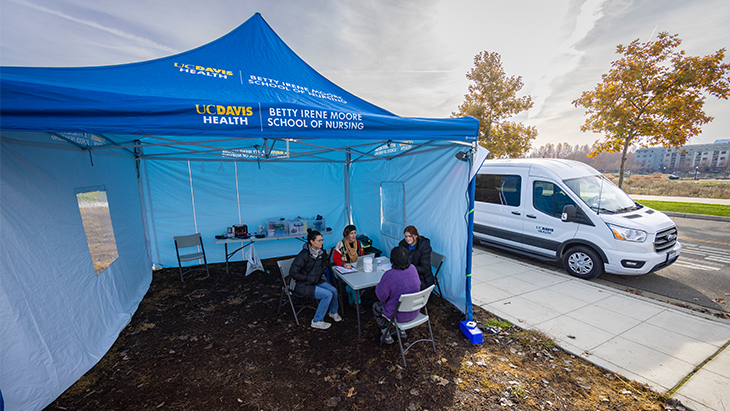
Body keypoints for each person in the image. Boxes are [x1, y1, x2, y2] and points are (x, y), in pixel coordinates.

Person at [289, 229, 342, 330]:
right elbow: (293, 272)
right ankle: (316, 321)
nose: (322, 242)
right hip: (302, 284)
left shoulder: (321, 252)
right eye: (319, 240)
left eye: (322, 240)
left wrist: (318, 275)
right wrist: (308, 278)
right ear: (311, 242)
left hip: (316, 280)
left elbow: (323, 265)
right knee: (327, 294)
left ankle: (333, 312)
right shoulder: (304, 255)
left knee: (334, 290)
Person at [373, 246, 421, 344]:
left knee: (375, 306)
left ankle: (386, 334)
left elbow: (381, 298)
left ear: (392, 260)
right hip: (415, 310)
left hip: (397, 315)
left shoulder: (389, 275)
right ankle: (401, 331)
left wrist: (379, 285)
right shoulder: (413, 268)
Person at [333, 225, 366, 312]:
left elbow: (362, 256)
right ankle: (357, 303)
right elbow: (335, 259)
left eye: (355, 233)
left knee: (350, 286)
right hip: (344, 270)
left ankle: (351, 300)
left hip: (356, 269)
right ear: (346, 235)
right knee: (354, 283)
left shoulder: (359, 243)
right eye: (351, 233)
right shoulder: (340, 244)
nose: (354, 235)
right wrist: (344, 264)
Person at [398, 225, 433, 290]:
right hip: (406, 273)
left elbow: (425, 269)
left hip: (422, 278)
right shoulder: (403, 244)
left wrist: (408, 267)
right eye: (406, 236)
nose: (407, 239)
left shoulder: (424, 247)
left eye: (410, 236)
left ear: (416, 236)